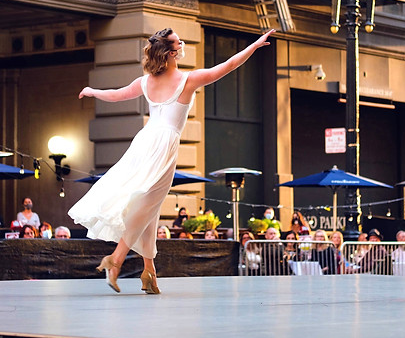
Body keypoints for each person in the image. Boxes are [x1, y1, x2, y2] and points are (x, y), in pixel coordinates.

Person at [69, 27, 274, 294]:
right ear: (171, 51)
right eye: (179, 41)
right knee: (146, 206)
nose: (183, 43)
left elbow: (117, 94)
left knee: (149, 207)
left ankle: (149, 272)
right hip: (163, 146)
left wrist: (93, 90)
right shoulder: (188, 79)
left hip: (144, 142)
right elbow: (229, 65)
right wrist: (254, 46)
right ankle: (115, 260)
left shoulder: (146, 81)